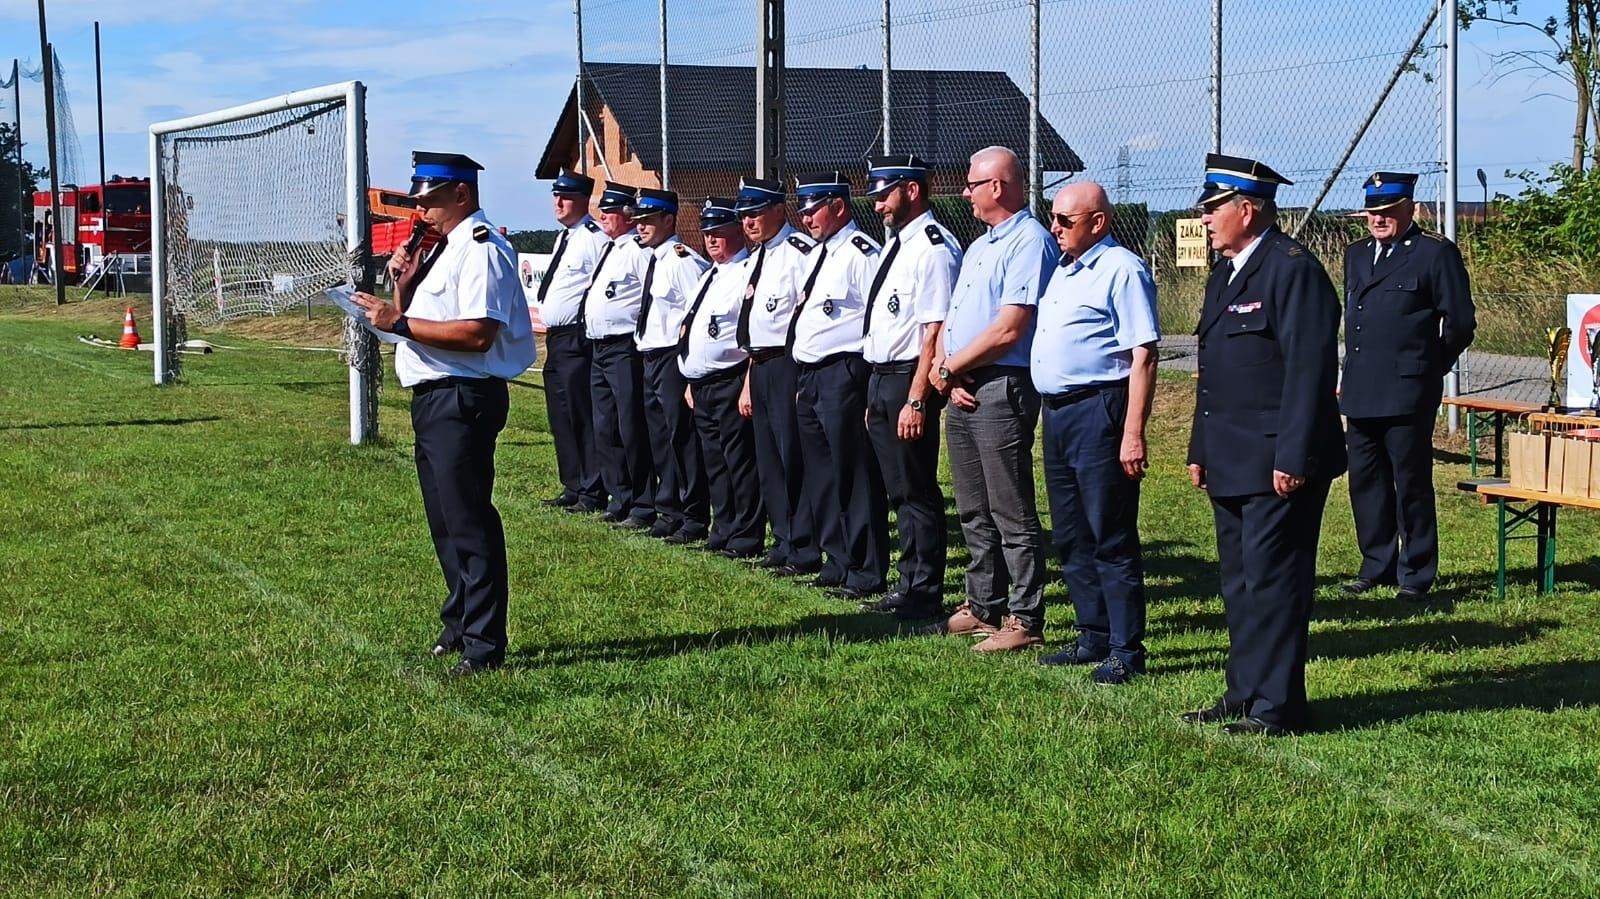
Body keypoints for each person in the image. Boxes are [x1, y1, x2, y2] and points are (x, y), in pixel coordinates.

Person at [353, 151, 535, 677]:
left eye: (431, 201)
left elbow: (478, 334)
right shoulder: (445, 249)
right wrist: (403, 286)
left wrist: (400, 322)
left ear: (461, 194)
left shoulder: (481, 250)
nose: (422, 212)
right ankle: (459, 622)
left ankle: (484, 644)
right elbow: (417, 318)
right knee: (445, 521)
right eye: (419, 202)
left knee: (469, 519)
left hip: (464, 395)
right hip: (436, 396)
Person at [1184, 154, 1345, 735]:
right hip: (1230, 453)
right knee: (1240, 580)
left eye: (1213, 208)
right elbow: (1215, 373)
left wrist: (1294, 457)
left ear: (1246, 210)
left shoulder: (1291, 270)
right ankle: (1244, 691)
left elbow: (1309, 372)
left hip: (1278, 458)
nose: (1204, 219)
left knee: (1275, 580)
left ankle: (1279, 705)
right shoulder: (1225, 273)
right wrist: (1200, 447)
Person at [923, 146, 1057, 653]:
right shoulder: (982, 244)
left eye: (973, 184)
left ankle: (1024, 618)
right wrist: (951, 371)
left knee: (1010, 507)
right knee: (974, 507)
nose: (966, 192)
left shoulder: (1028, 242)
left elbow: (1009, 328)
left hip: (1001, 385)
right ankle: (983, 604)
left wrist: (950, 366)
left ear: (997, 187)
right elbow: (964, 320)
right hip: (963, 383)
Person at [1032, 182, 1160, 685]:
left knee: (1110, 533)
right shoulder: (1065, 270)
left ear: (1099, 223)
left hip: (1099, 410)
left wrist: (1132, 431)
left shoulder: (1121, 269)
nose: (1055, 228)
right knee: (1069, 531)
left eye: (1065, 220)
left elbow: (1143, 355)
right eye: (1053, 218)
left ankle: (1127, 648)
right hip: (1059, 412)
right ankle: (1093, 633)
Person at [1340, 172, 1476, 601]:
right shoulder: (1356, 255)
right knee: (1366, 482)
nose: (1378, 220)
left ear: (1409, 209)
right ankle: (1376, 564)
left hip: (1407, 390)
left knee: (1410, 483)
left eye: (1388, 212)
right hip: (1361, 389)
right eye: (1373, 212)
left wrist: (1427, 366)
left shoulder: (1434, 254)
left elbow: (1460, 323)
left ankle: (1415, 572)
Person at [859, 154, 960, 621]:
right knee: (898, 488)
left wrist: (917, 397)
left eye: (885, 194)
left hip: (907, 377)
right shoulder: (898, 245)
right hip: (883, 376)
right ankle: (908, 581)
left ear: (912, 190)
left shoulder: (934, 248)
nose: (878, 204)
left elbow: (934, 331)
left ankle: (925, 590)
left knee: (916, 488)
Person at [788, 171, 889, 600]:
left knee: (854, 472)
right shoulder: (818, 253)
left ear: (838, 206)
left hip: (844, 370)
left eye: (813, 208)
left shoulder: (860, 252)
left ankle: (866, 567)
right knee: (823, 473)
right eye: (804, 209)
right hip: (811, 374)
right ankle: (838, 557)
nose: (806, 216)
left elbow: (877, 314)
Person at [735, 176, 821, 577]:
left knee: (792, 457)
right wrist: (750, 379)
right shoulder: (757, 256)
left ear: (776, 210)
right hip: (761, 364)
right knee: (768, 459)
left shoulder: (798, 252)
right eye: (744, 216)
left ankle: (804, 546)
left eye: (755, 213)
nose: (748, 222)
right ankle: (783, 539)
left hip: (788, 363)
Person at [679, 198, 766, 559]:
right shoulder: (708, 275)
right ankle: (724, 526)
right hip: (702, 383)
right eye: (707, 233)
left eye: (719, 232)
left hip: (730, 378)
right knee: (714, 460)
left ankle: (746, 535)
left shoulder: (746, 272)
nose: (711, 240)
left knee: (739, 460)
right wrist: (690, 376)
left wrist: (747, 381)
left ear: (736, 231)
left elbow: (749, 335)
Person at [631, 187, 712, 542]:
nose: (641, 228)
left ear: (669, 220)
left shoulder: (682, 262)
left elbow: (697, 314)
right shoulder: (655, 260)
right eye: (638, 221)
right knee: (660, 437)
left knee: (681, 437)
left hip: (670, 357)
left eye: (648, 221)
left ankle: (693, 514)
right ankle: (669, 509)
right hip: (649, 356)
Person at [534, 169, 610, 514]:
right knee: (560, 414)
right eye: (555, 196)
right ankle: (573, 482)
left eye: (565, 197)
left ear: (582, 200)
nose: (558, 203)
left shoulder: (594, 238)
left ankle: (592, 488)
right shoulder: (564, 237)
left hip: (577, 337)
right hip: (556, 338)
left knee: (581, 412)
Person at [582, 181, 657, 529]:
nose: (603, 217)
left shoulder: (639, 252)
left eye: (610, 211)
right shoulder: (610, 249)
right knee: (605, 425)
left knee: (630, 426)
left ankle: (643, 502)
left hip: (624, 346)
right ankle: (620, 495)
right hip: (599, 347)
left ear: (628, 216)